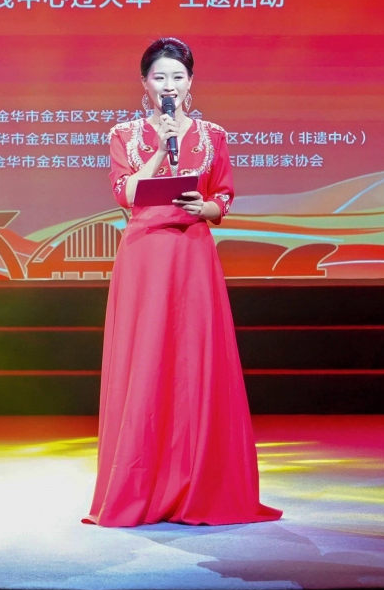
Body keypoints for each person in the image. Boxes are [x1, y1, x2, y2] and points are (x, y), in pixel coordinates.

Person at [86, 37, 281, 527]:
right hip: (145, 257)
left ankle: (198, 483)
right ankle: (139, 488)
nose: (168, 86)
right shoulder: (124, 134)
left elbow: (224, 198)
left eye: (177, 77)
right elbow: (125, 194)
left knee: (195, 362)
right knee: (146, 360)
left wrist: (205, 206)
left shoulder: (213, 135)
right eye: (159, 77)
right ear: (145, 84)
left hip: (193, 254)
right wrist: (159, 151)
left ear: (190, 82)